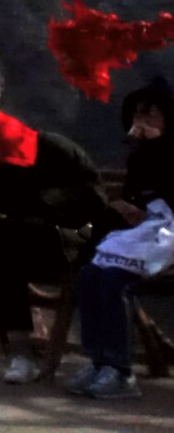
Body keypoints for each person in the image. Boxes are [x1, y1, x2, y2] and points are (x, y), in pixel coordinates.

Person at [0, 107, 109, 383]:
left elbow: (95, 203)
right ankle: (19, 357)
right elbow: (0, 201)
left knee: (1, 238)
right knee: (4, 247)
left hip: (72, 243)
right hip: (22, 245)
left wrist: (43, 202)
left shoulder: (57, 150)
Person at [68, 75, 174, 400]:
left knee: (113, 280)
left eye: (150, 117)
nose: (142, 124)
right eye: (138, 117)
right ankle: (100, 360)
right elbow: (139, 202)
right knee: (90, 275)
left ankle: (120, 371)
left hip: (170, 237)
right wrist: (130, 212)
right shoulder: (140, 157)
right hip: (148, 233)